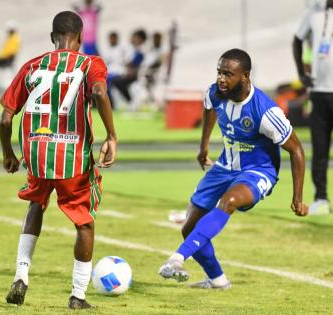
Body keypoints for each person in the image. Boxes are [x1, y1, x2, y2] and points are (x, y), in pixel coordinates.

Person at [158, 49, 308, 289]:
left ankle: (176, 259)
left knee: (228, 201)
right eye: (219, 72)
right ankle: (217, 280)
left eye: (228, 74)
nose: (221, 78)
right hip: (224, 165)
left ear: (245, 76)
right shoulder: (215, 93)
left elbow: (297, 151)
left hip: (258, 170)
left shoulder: (266, 112)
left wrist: (297, 198)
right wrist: (203, 147)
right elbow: (209, 111)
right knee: (189, 228)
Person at [0, 11, 117, 309]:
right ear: (79, 38)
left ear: (53, 38)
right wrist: (111, 136)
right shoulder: (90, 63)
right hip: (73, 159)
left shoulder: (32, 65)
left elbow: (4, 119)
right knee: (84, 224)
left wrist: (8, 153)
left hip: (36, 154)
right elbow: (100, 91)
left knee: (36, 204)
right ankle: (78, 295)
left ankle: (21, 276)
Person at [293, 0, 333, 215]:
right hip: (319, 92)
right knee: (320, 149)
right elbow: (297, 40)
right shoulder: (314, 13)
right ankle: (321, 198)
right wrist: (301, 74)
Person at [110, 29, 147, 109]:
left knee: (118, 82)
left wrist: (126, 64)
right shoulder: (133, 49)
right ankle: (128, 102)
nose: (133, 39)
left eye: (135, 37)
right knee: (115, 81)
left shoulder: (141, 52)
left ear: (140, 39)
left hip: (136, 75)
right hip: (129, 73)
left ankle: (130, 102)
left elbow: (132, 64)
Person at [102, 31, 127, 109]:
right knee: (103, 82)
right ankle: (109, 103)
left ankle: (111, 104)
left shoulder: (122, 49)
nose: (112, 40)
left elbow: (125, 62)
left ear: (117, 39)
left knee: (107, 81)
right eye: (111, 38)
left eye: (114, 38)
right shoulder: (106, 50)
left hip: (119, 71)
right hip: (109, 71)